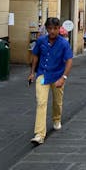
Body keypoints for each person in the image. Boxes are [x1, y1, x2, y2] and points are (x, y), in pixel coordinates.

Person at [28, 17, 73, 145]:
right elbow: (35, 55)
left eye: (55, 28)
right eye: (50, 29)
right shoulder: (41, 41)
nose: (52, 31)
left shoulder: (64, 43)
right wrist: (32, 73)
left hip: (58, 76)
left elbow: (69, 61)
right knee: (41, 102)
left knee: (57, 102)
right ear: (47, 29)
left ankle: (56, 118)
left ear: (59, 29)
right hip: (43, 75)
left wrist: (63, 78)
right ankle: (39, 134)